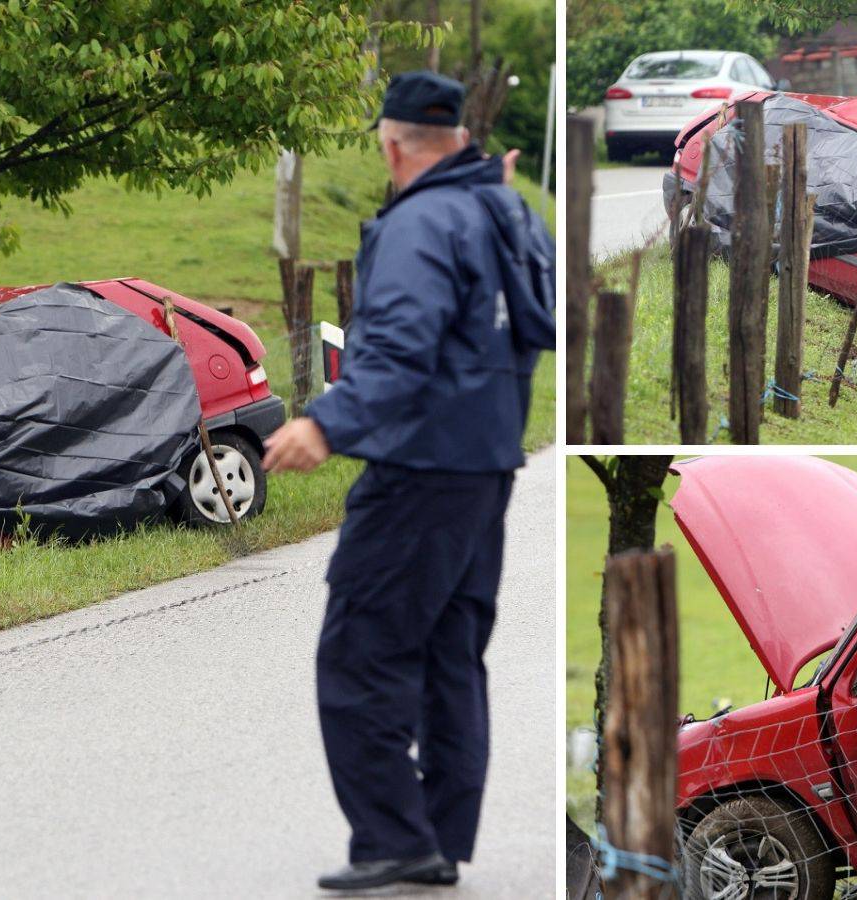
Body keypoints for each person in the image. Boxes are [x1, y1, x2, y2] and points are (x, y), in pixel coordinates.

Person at [261, 69, 555, 893]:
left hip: (420, 470)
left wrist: (327, 422)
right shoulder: (508, 208)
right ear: (459, 139)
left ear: (392, 144)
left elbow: (397, 344)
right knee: (451, 656)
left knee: (361, 652)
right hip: (487, 468)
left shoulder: (423, 223)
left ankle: (395, 839)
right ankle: (438, 839)